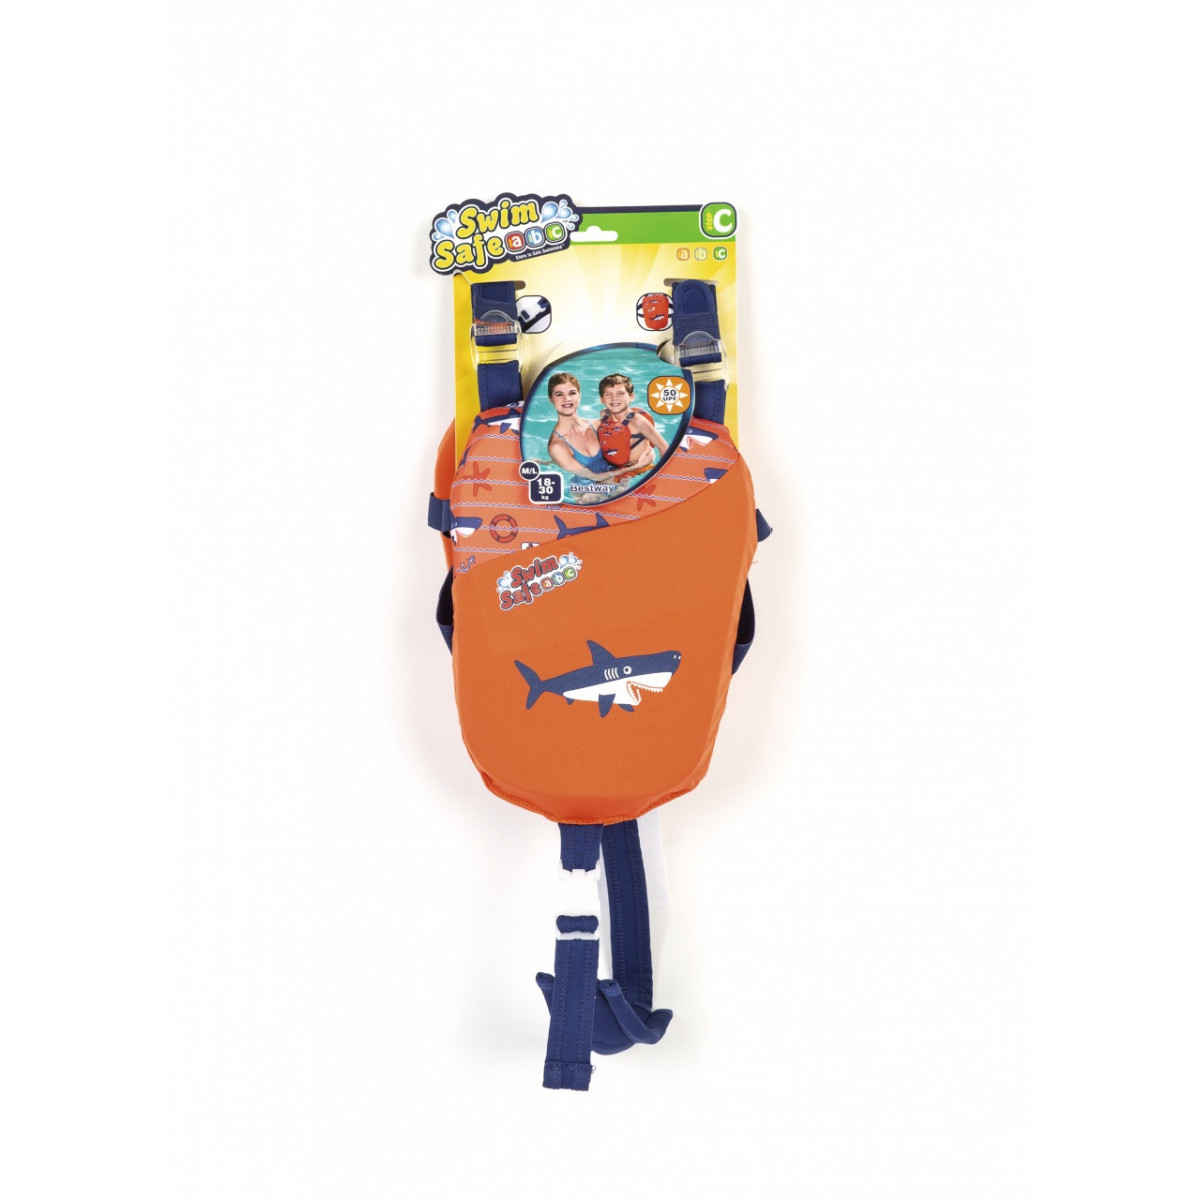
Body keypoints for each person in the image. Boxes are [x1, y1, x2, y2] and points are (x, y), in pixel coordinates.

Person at [545, 372, 619, 504]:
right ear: (551, 399)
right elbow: (595, 477)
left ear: (579, 395)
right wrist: (635, 467)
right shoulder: (557, 445)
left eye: (572, 393)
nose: (567, 399)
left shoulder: (598, 425)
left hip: (614, 480)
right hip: (587, 492)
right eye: (559, 394)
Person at [595, 374, 669, 471]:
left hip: (639, 470)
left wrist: (660, 473)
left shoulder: (638, 422)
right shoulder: (605, 414)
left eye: (620, 393)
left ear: (631, 397)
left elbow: (664, 447)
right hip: (614, 469)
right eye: (608, 394)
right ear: (601, 399)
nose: (614, 398)